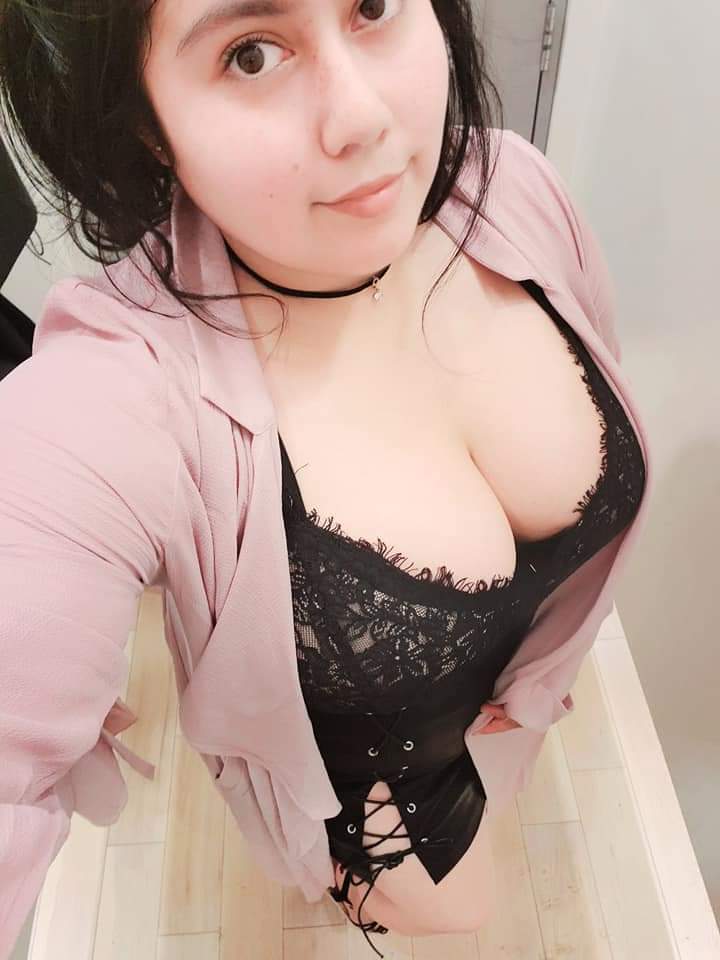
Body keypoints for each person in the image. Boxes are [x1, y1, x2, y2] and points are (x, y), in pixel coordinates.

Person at [0, 2, 653, 958]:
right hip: (372, 817)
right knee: (454, 909)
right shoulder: (115, 394)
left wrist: (540, 673)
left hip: (514, 718)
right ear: (146, 121)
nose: (363, 116)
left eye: (374, 5)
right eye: (250, 54)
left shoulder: (515, 188)